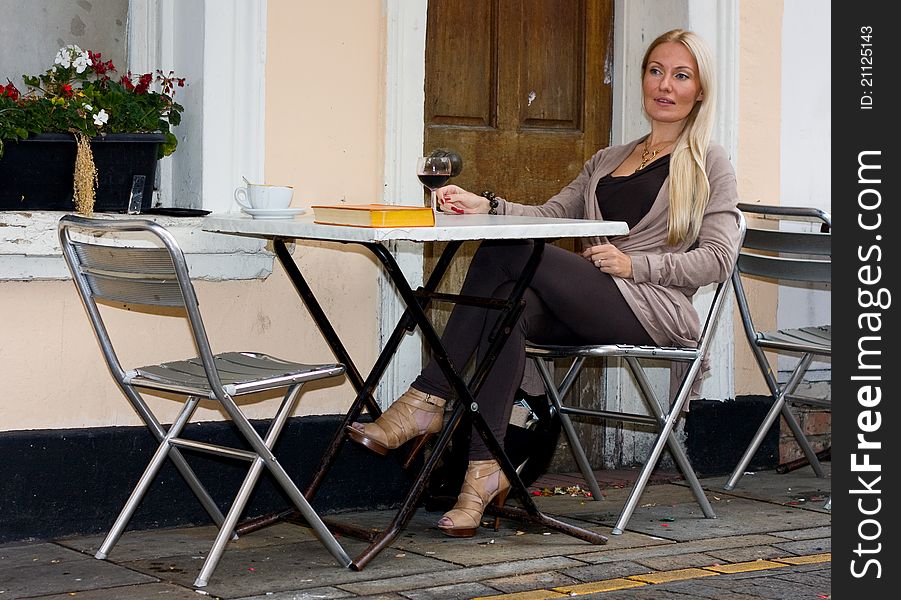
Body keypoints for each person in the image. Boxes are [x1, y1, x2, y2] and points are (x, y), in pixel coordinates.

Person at [347, 28, 742, 537]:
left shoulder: (709, 161)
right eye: (656, 71)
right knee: (503, 305)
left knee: (508, 255)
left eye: (681, 75)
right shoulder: (608, 159)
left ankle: (426, 399)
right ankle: (484, 472)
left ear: (700, 90)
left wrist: (635, 266)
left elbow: (717, 258)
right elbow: (552, 215)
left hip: (651, 305)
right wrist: (488, 208)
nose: (665, 85)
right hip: (592, 298)